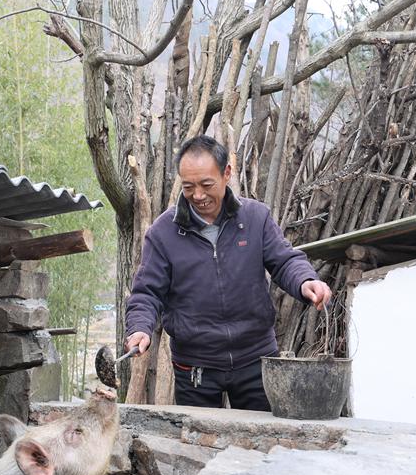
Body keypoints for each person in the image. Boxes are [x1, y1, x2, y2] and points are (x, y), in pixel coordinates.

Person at [124, 135, 332, 411]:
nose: (198, 195)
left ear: (227, 173)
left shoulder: (255, 218)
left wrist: (306, 281)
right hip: (195, 365)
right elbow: (147, 293)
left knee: (260, 436)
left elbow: (284, 261)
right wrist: (139, 328)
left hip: (256, 357)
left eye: (206, 185)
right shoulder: (163, 233)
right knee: (197, 436)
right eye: (188, 187)